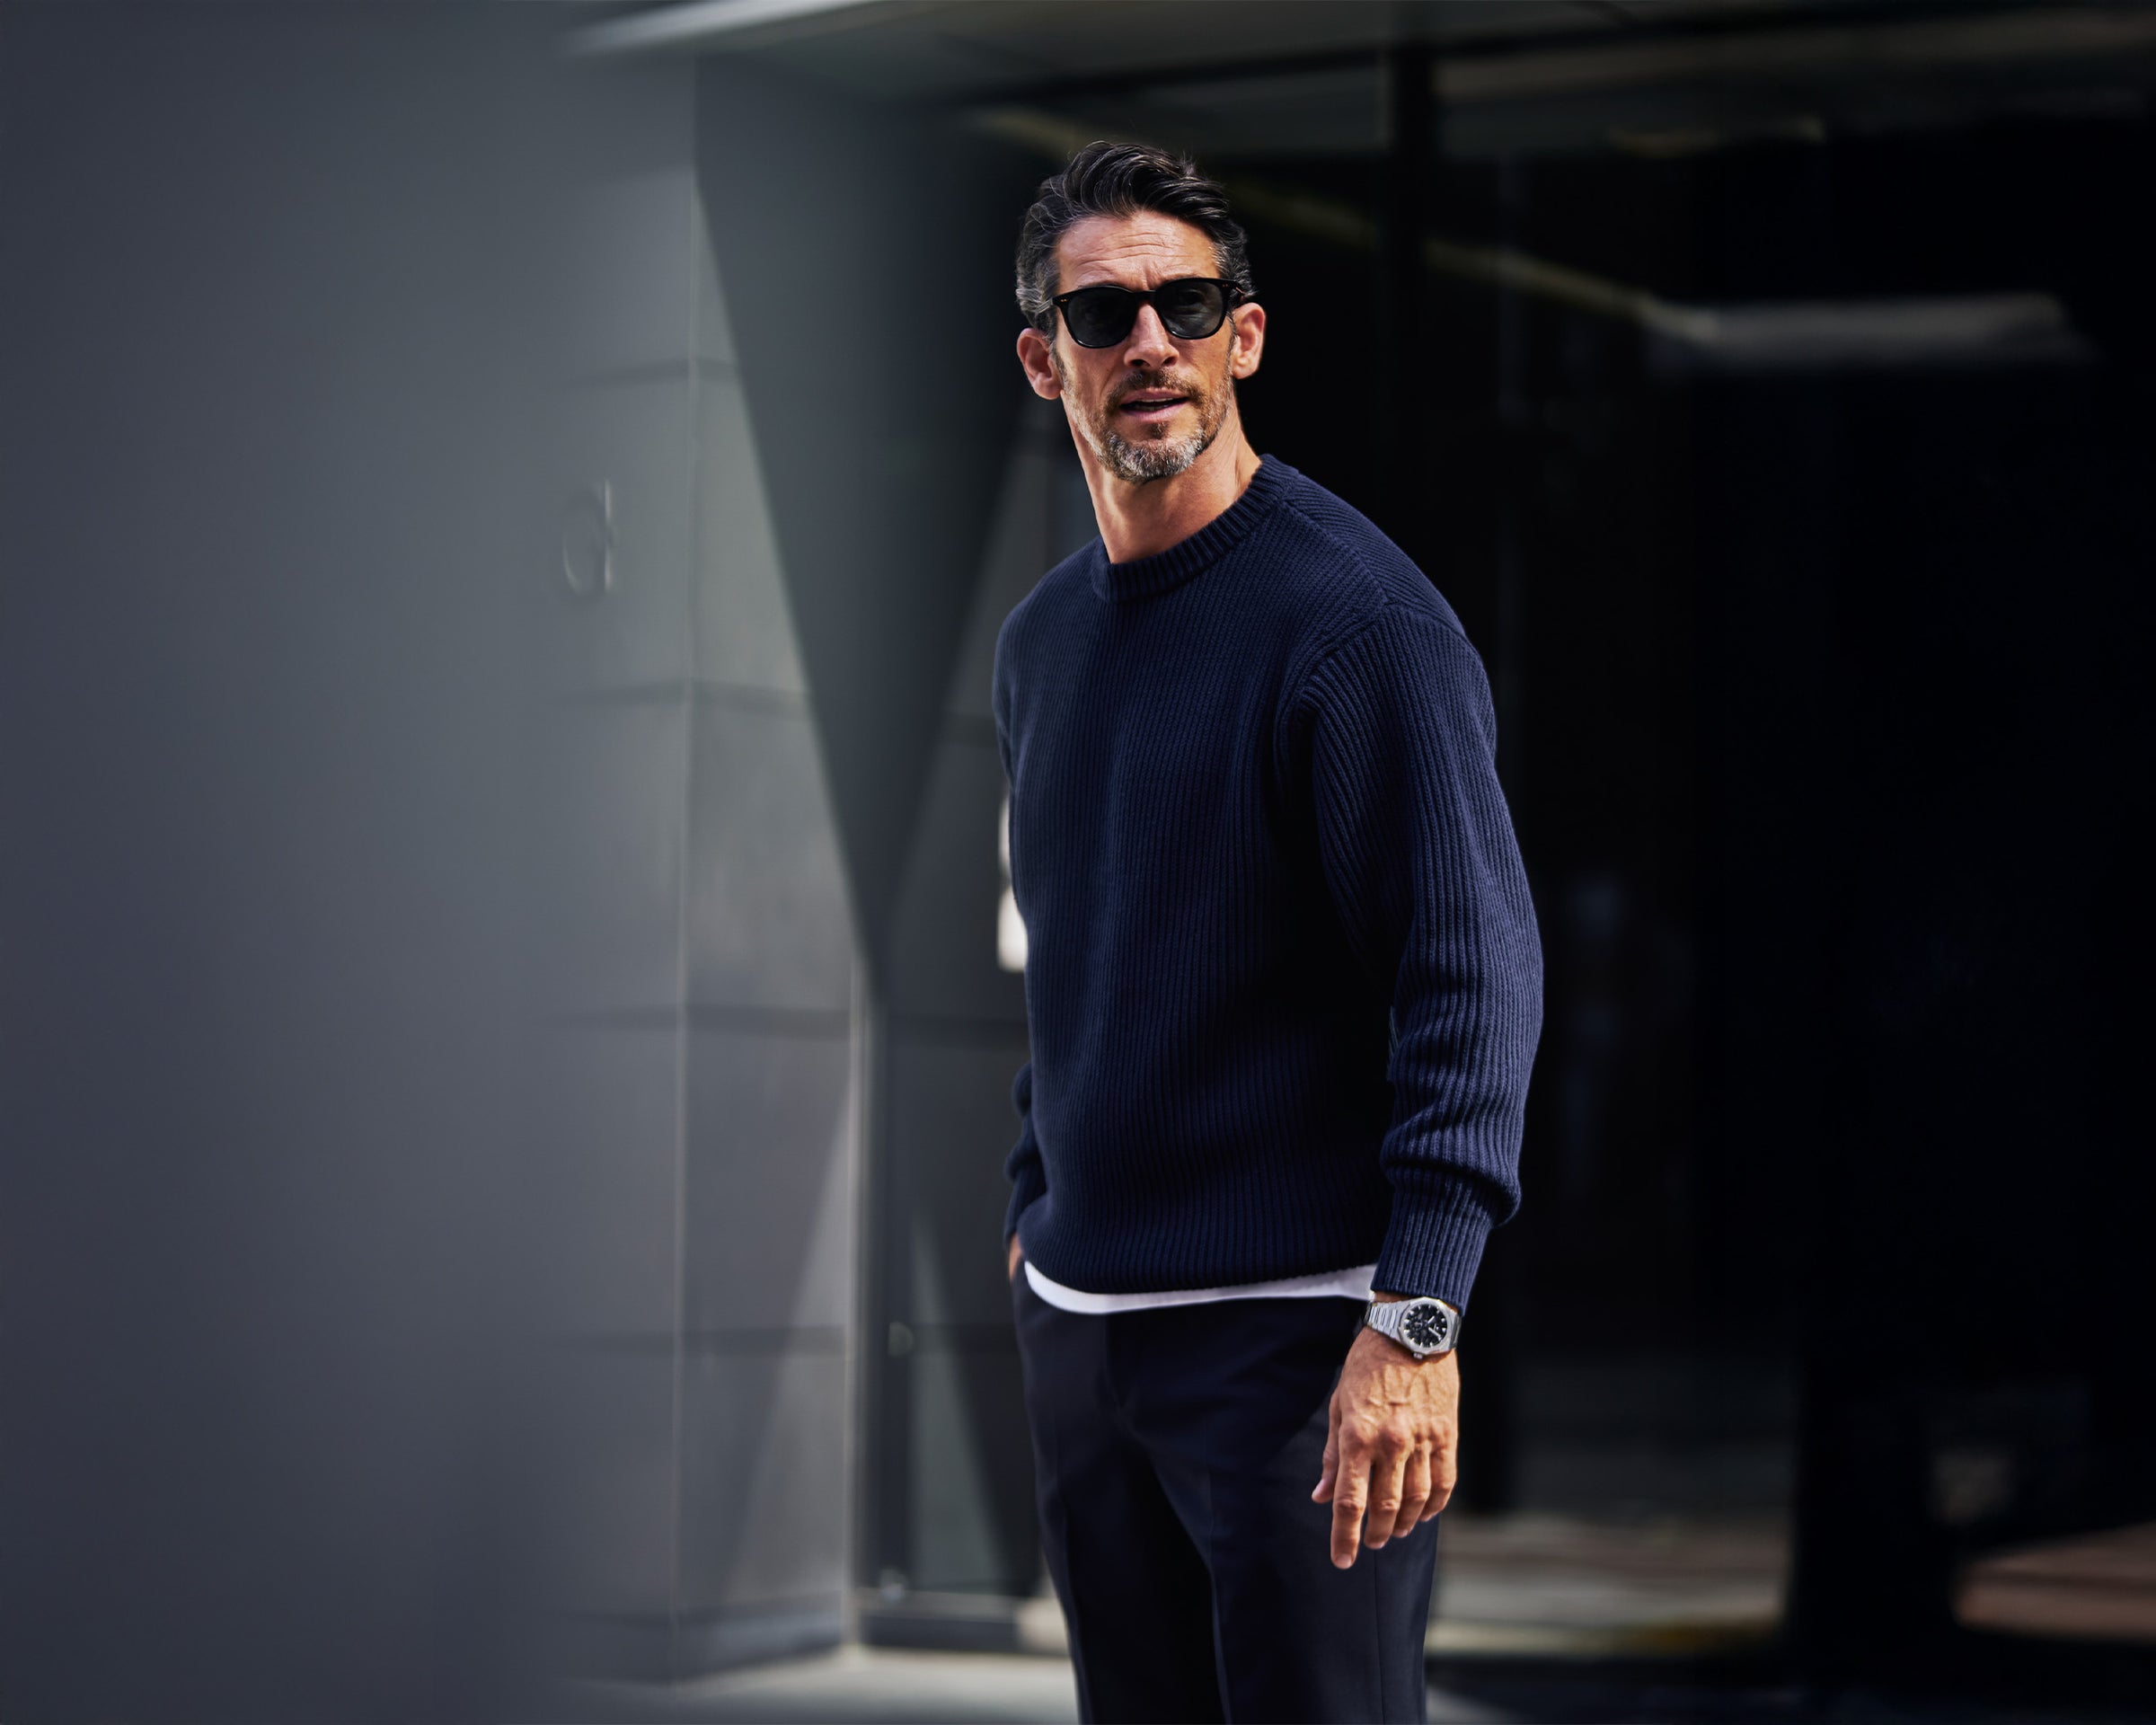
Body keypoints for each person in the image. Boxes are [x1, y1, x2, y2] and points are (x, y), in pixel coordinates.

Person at [994, 140, 1542, 1724]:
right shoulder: (1041, 646)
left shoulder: (1360, 626)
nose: (1148, 341)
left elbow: (1474, 982)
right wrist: (1034, 1202)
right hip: (1088, 1338)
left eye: (1186, 305)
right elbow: (1074, 953)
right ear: (1045, 360)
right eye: (1103, 314)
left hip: (1303, 1350)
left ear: (1243, 337)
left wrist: (1417, 1317)